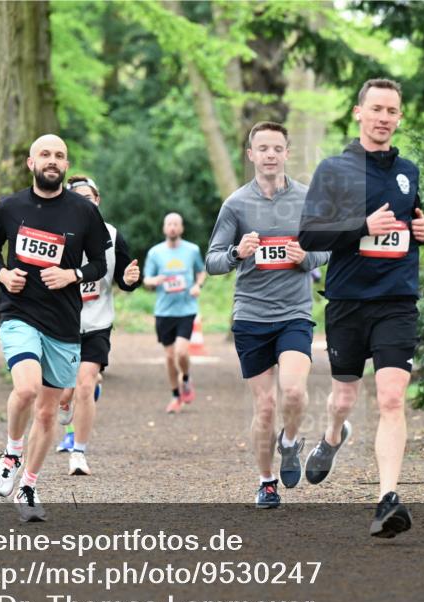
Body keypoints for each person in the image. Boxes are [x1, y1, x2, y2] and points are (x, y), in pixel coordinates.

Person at [298, 79, 424, 538]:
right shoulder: (335, 170)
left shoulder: (408, 170)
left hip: (397, 299)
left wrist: (423, 229)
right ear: (358, 113)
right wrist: (360, 226)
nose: (383, 117)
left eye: (391, 111)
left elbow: (410, 218)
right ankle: (334, 435)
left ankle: (387, 499)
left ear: (399, 118)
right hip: (349, 300)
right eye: (375, 108)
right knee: (344, 397)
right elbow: (309, 235)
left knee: (393, 398)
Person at [0, 134, 111, 522]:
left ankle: (29, 486)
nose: (52, 160)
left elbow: (100, 265)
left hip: (64, 323)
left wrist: (71, 274)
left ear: (66, 165)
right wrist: (3, 274)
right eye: (45, 154)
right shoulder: (9, 207)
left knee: (47, 414)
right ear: (31, 162)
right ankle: (11, 452)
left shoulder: (84, 213)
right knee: (26, 389)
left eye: (59, 155)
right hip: (19, 312)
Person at [206, 121, 330, 509]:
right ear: (251, 155)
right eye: (263, 148)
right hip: (251, 314)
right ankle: (266, 482)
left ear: (287, 153)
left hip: (294, 311)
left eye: (278, 148)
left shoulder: (308, 199)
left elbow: (327, 249)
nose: (271, 155)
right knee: (265, 406)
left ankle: (290, 442)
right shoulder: (236, 204)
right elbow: (212, 261)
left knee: (293, 390)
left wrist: (305, 257)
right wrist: (236, 253)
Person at [53, 175, 141, 476]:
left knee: (86, 383)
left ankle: (78, 452)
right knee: (65, 392)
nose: (83, 203)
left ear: (97, 200)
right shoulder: (56, 235)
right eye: (76, 198)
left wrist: (130, 280)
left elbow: (127, 279)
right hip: (61, 323)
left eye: (88, 197)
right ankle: (64, 404)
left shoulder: (113, 237)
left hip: (97, 323)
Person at [142, 213, 206, 414]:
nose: (172, 227)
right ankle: (175, 396)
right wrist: (154, 281)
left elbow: (201, 271)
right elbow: (146, 279)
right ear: (164, 228)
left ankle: (186, 378)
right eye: (169, 224)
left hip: (186, 309)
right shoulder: (155, 253)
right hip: (164, 311)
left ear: (181, 228)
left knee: (181, 352)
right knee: (170, 357)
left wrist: (198, 285)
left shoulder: (192, 250)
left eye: (175, 224)